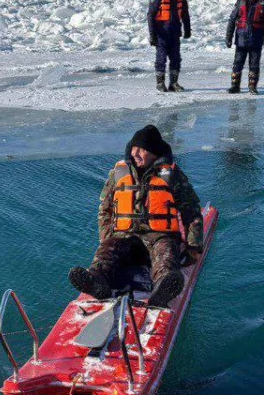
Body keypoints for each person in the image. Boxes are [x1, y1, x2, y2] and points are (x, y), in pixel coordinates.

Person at [68, 125, 203, 308]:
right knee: (107, 253)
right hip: (125, 236)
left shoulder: (172, 175)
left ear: (154, 153)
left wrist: (193, 245)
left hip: (159, 237)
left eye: (142, 150)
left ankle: (163, 288)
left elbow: (192, 210)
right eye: (134, 148)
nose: (136, 153)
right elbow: (105, 209)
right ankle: (97, 281)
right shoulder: (118, 173)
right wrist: (106, 238)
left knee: (165, 257)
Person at [225, 0, 264, 94]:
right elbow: (232, 20)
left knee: (254, 63)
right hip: (241, 39)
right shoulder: (241, 2)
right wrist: (229, 37)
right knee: (237, 62)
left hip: (256, 39)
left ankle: (252, 87)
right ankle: (235, 86)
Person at [147, 0, 192, 93]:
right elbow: (150, 15)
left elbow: (185, 15)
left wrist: (187, 29)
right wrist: (152, 34)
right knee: (161, 58)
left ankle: (173, 83)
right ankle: (160, 83)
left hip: (175, 33)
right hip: (161, 34)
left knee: (176, 58)